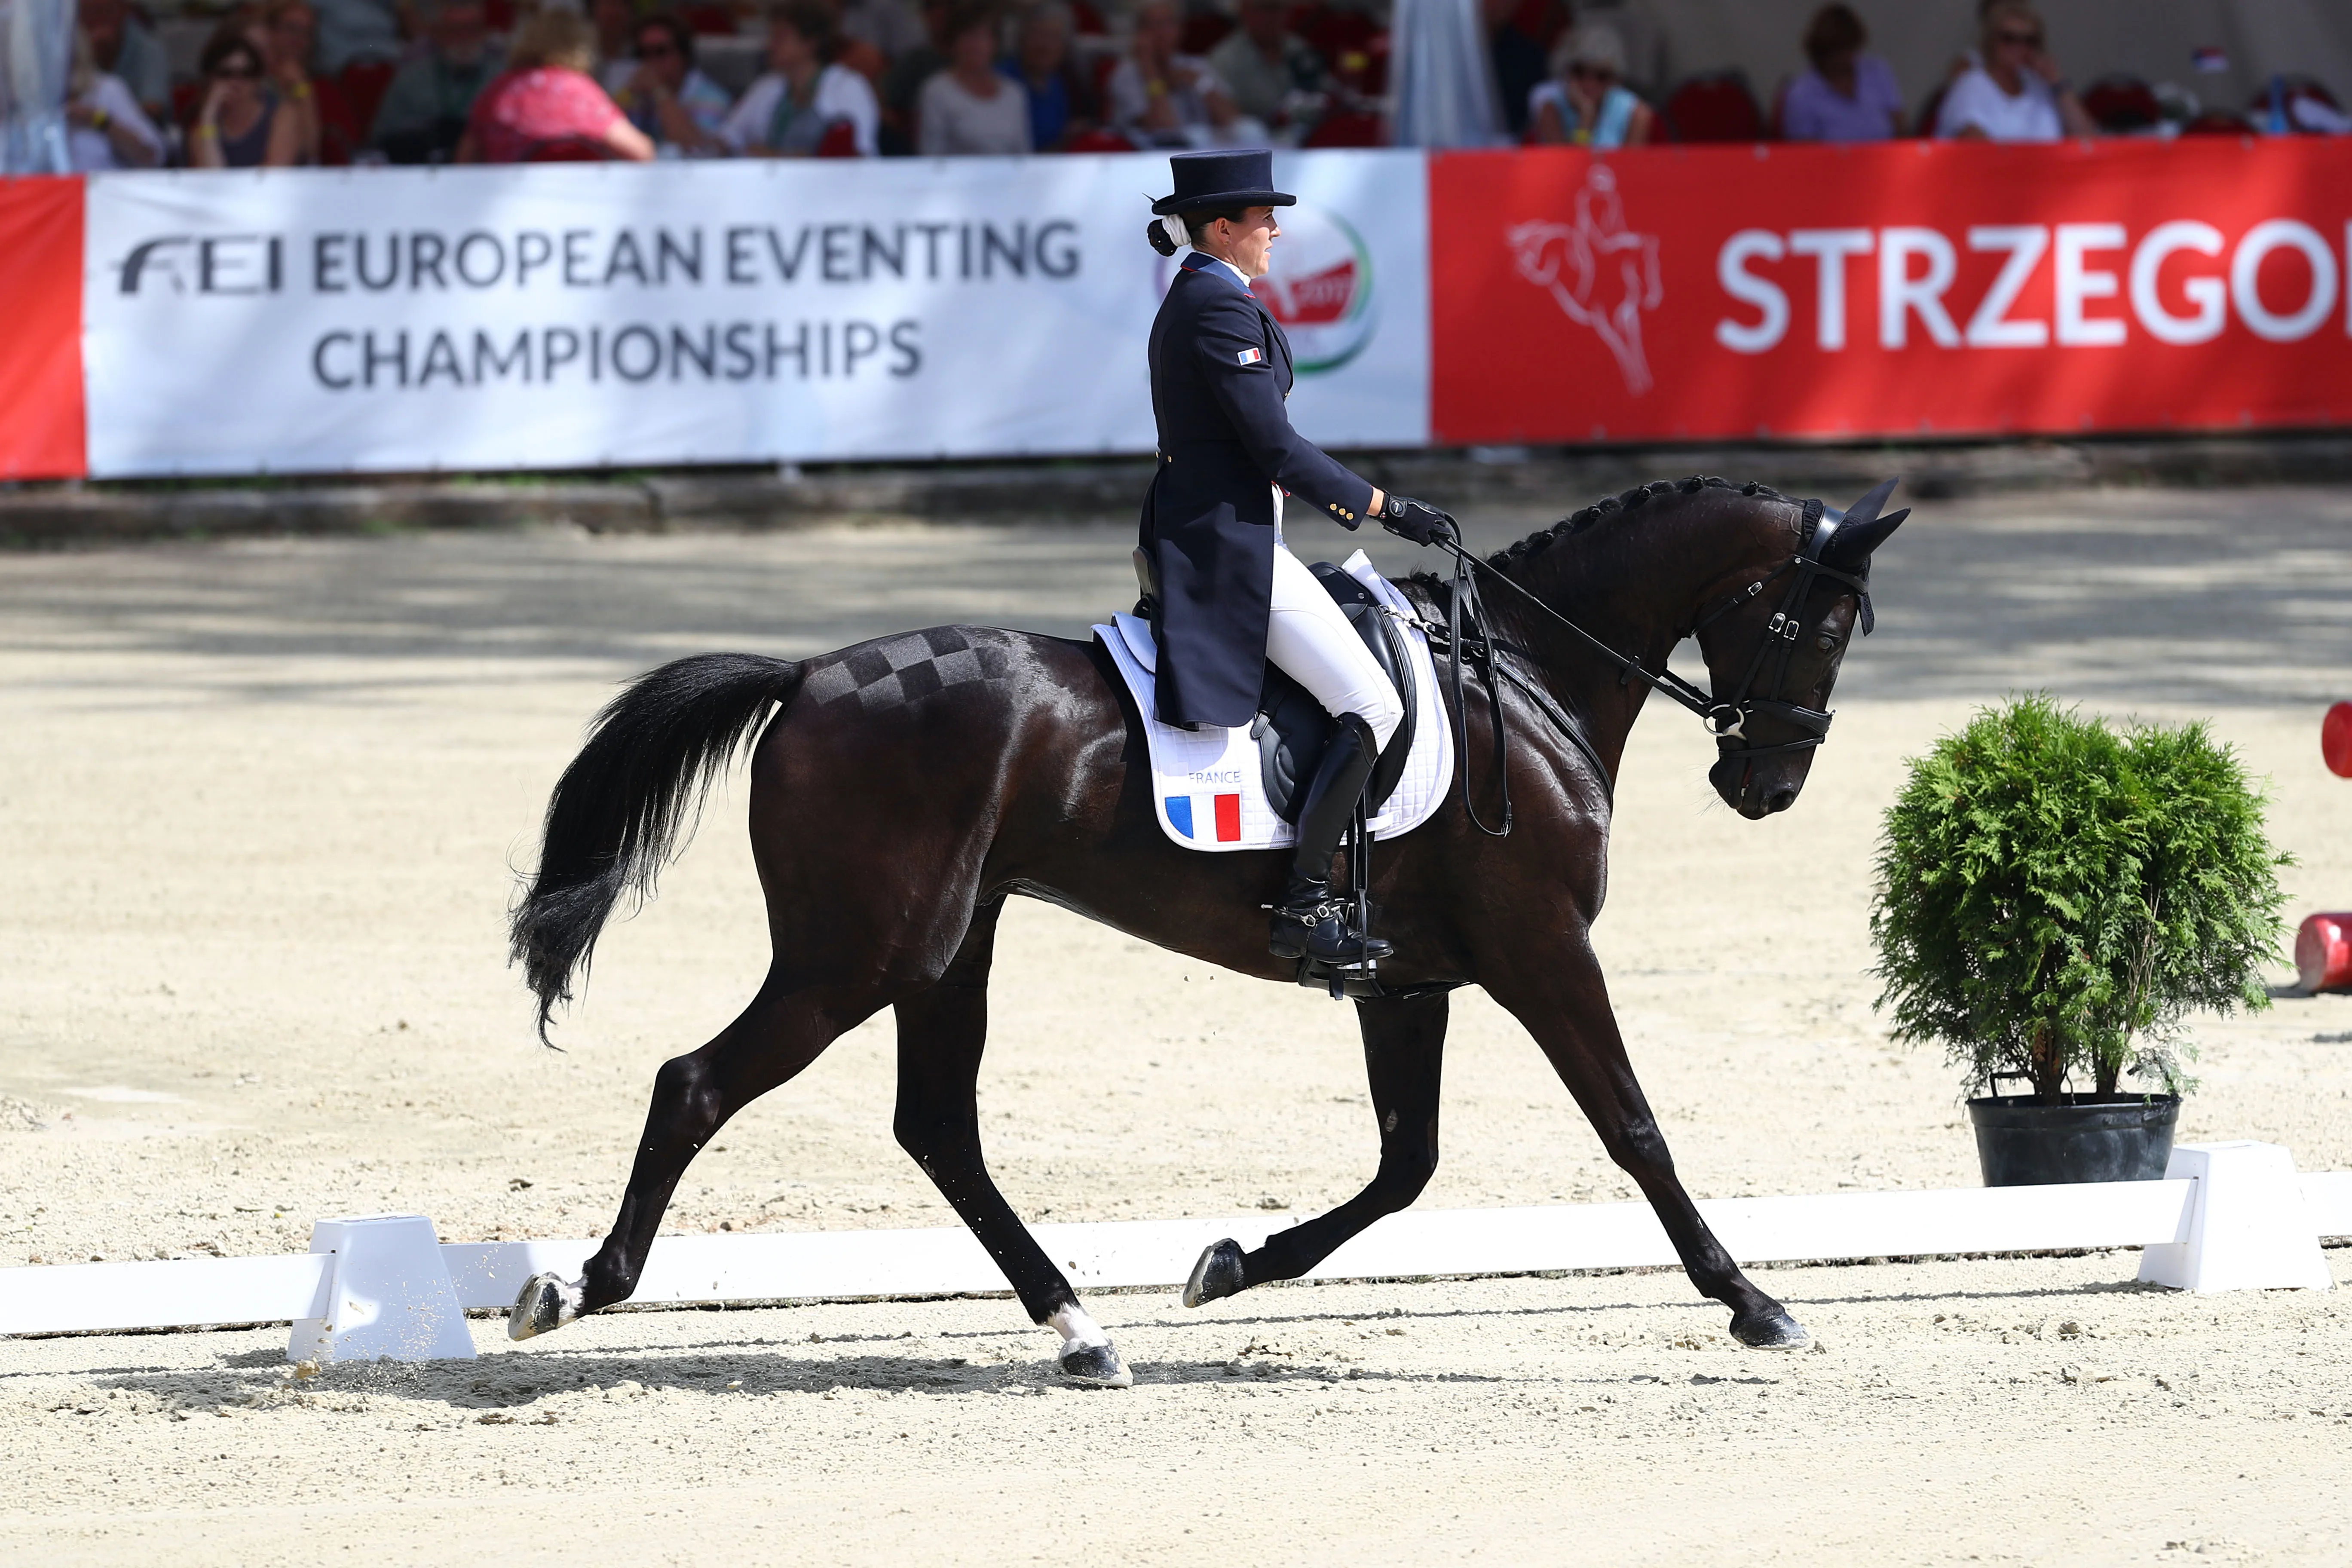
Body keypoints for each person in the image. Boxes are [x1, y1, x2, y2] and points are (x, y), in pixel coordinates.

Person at [1138, 150, 1458, 967]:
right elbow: (1276, 447)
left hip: (1236, 533)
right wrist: (1387, 509)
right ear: (1222, 228)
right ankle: (1307, 902)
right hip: (1228, 551)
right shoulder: (1214, 308)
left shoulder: (1214, 298)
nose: (1275, 230)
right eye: (1262, 219)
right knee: (1375, 705)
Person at [459, 7, 655, 161]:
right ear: (581, 47)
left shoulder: (497, 90)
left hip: (507, 205)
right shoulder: (576, 89)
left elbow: (464, 161)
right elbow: (642, 152)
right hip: (575, 203)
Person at [721, 0, 881, 155]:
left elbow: (858, 155)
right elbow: (727, 141)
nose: (770, 45)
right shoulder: (766, 86)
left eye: (781, 37)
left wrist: (776, 157)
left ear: (810, 43)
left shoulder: (847, 87)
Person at [1936, 0, 2094, 141]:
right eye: (2009, 38)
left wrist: (2057, 82)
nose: (2020, 47)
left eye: (2030, 40)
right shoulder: (1971, 85)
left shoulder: (2040, 85)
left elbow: (2089, 141)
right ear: (1991, 41)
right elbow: (1978, 151)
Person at [369, 0, 503, 164]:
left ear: (484, 33)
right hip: (420, 172)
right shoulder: (411, 78)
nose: (463, 38)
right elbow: (383, 139)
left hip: (484, 171)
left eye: (471, 29)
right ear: (437, 34)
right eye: (454, 31)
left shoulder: (501, 78)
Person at [1107, 0, 1252, 149]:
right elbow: (1165, 129)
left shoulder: (1195, 66)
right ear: (1140, 33)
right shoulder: (1127, 76)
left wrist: (1199, 83)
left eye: (1169, 24)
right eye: (1154, 25)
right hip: (1153, 156)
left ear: (1181, 30)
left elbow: (1234, 119)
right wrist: (1150, 72)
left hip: (1203, 151)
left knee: (1251, 131)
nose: (1162, 33)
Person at [613, 12, 734, 154]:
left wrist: (659, 91)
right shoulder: (634, 92)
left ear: (683, 55)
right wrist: (628, 95)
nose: (651, 61)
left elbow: (696, 148)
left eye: (660, 52)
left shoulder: (713, 99)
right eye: (642, 53)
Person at [189, 24, 306, 166]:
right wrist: (208, 116)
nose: (236, 82)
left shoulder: (283, 115)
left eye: (247, 74)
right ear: (210, 79)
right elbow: (212, 180)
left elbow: (274, 178)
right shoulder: (204, 127)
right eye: (226, 74)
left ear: (258, 79)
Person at [1206, 0, 1326, 138]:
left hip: (1308, 141)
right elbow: (1227, 120)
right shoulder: (1225, 59)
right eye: (1264, 9)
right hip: (1254, 147)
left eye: (1277, 9)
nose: (1272, 17)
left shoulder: (1301, 50)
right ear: (1244, 11)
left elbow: (1326, 99)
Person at [1781, 4, 1901, 141]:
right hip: (1830, 163)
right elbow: (1804, 153)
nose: (1846, 58)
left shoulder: (1878, 71)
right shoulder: (1801, 95)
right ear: (1821, 52)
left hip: (1883, 159)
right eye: (1838, 52)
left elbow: (1900, 126)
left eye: (1851, 49)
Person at [917, 5, 1027, 153]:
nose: (977, 45)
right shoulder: (936, 91)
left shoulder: (1015, 94)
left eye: (984, 36)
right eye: (969, 36)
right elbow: (931, 156)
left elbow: (1024, 155)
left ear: (995, 43)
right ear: (954, 42)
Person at [1527, 21, 1653, 147]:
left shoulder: (1636, 115)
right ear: (1566, 73)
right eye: (1580, 72)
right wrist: (1586, 117)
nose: (1589, 83)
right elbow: (1569, 164)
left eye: (1601, 76)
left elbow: (1630, 166)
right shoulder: (1551, 109)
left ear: (1615, 80)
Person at [998, 3, 1097, 151]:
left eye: (1055, 37)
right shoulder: (1001, 81)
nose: (1045, 45)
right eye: (1038, 34)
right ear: (1022, 37)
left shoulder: (1058, 85)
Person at [65, 26, 164, 170]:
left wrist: (97, 120)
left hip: (100, 189)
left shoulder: (106, 89)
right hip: (40, 190)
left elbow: (151, 155)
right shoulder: (27, 99)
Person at [78, 0, 171, 127]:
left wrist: (97, 119)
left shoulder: (149, 49)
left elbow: (153, 113)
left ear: (124, 10)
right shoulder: (71, 48)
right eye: (88, 12)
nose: (95, 19)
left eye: (103, 11)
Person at [261, 0, 323, 164]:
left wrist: (301, 88)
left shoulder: (324, 86)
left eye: (307, 32)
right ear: (269, 31)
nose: (299, 39)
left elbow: (312, 151)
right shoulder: (246, 78)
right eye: (291, 29)